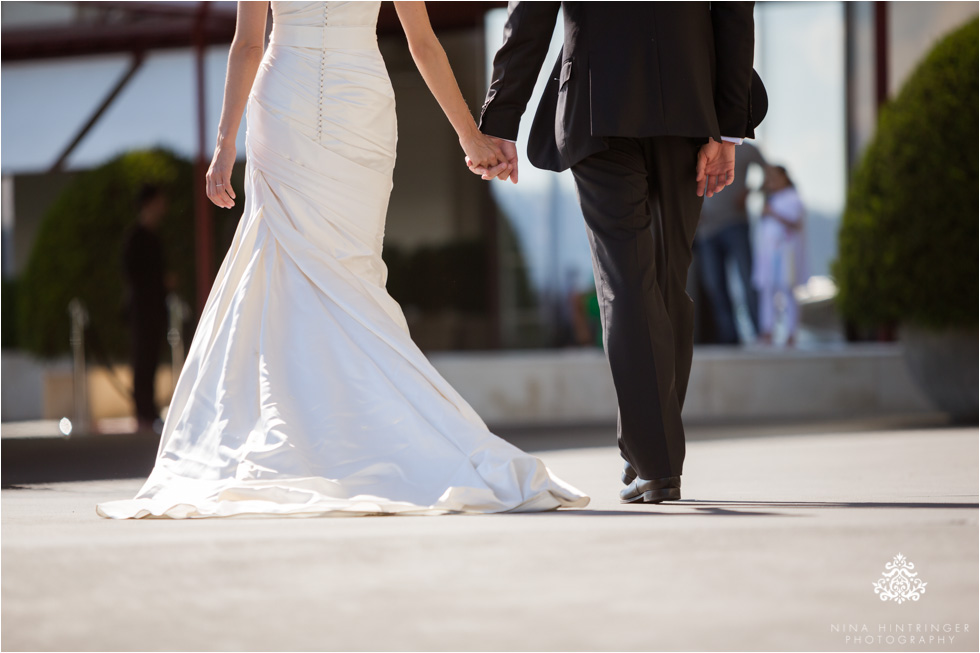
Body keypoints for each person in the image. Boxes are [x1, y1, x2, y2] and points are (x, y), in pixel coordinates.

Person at [97, 1, 588, 519]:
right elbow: (421, 43)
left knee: (287, 269)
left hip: (284, 98)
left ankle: (304, 431)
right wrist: (469, 136)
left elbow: (247, 45)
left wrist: (222, 148)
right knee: (350, 275)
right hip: (360, 102)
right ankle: (345, 430)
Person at [471, 2, 764, 503]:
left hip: (598, 102)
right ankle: (655, 454)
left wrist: (501, 120)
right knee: (665, 282)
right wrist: (728, 128)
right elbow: (733, 12)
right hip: (690, 106)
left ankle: (655, 459)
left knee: (632, 283)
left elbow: (531, 14)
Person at [695, 141, 767, 344]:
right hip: (706, 230)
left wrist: (750, 191)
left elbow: (769, 172)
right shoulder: (696, 147)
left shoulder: (744, 148)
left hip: (735, 223)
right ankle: (730, 338)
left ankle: (761, 334)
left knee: (748, 279)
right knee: (715, 285)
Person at [121, 184, 172, 433]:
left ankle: (149, 411)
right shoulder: (136, 238)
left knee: (151, 360)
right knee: (142, 360)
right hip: (142, 310)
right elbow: (134, 275)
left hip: (155, 309)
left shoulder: (154, 236)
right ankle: (143, 413)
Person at [753, 165, 807, 347]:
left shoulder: (793, 198)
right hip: (770, 252)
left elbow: (795, 223)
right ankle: (768, 330)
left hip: (786, 251)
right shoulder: (770, 199)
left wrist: (772, 212)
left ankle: (791, 332)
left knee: (787, 290)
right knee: (767, 290)